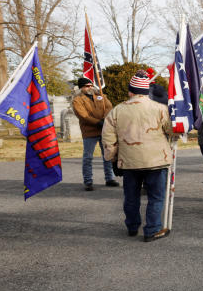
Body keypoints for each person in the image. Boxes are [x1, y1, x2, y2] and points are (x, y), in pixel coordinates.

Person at [102, 72, 174, 242]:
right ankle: (152, 229)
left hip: (129, 161)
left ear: (130, 91)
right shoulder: (160, 108)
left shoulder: (117, 110)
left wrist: (112, 158)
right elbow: (171, 130)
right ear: (146, 91)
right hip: (157, 160)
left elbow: (108, 137)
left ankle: (132, 226)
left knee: (131, 196)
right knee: (156, 196)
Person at [71, 77, 117, 191]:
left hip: (104, 129)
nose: (90, 87)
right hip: (89, 131)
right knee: (88, 157)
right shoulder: (77, 100)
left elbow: (109, 107)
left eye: (91, 85)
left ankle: (110, 178)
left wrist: (105, 120)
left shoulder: (101, 95)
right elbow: (83, 115)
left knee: (107, 155)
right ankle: (88, 181)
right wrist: (98, 122)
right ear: (81, 88)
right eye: (87, 86)